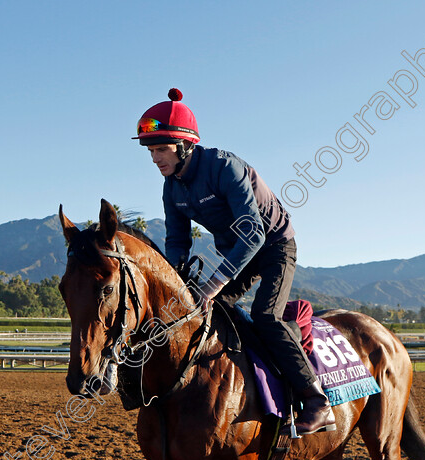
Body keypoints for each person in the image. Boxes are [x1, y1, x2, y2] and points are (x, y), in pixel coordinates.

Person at [133, 88, 335, 435]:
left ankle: (316, 399)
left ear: (183, 146)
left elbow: (254, 234)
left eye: (161, 149)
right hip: (236, 252)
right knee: (209, 311)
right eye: (151, 150)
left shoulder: (226, 167)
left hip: (273, 245)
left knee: (265, 315)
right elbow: (178, 241)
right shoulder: (171, 187)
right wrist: (175, 285)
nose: (155, 158)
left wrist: (212, 285)